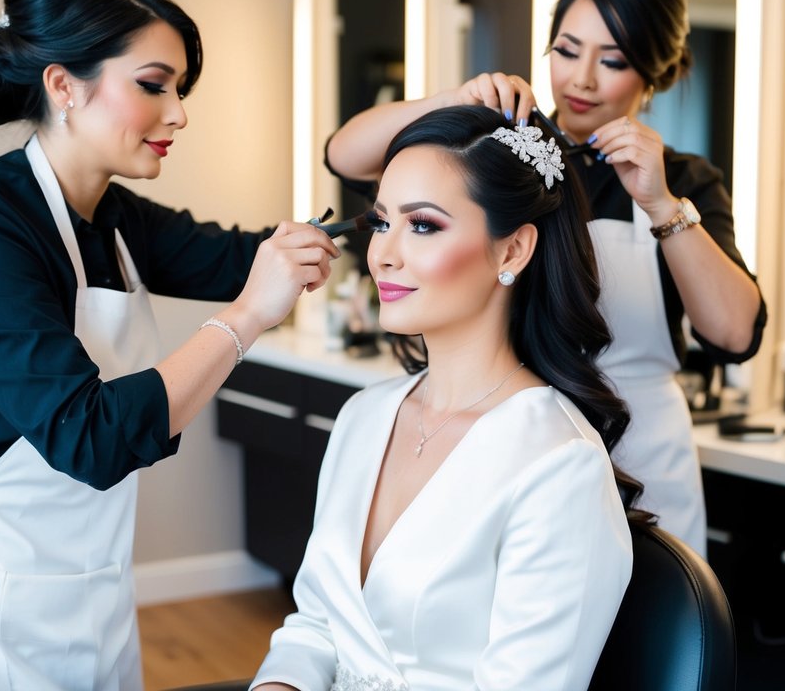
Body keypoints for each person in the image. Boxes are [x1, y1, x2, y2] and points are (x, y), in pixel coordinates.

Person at [0, 0, 339, 690]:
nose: (178, 112)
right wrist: (247, 319)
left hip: (88, 588)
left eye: (180, 89)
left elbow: (254, 255)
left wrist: (404, 177)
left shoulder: (116, 220)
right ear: (64, 86)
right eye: (153, 85)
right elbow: (89, 437)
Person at [325, 0, 765, 556]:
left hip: (642, 449)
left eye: (612, 60)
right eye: (566, 49)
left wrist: (662, 204)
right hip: (519, 435)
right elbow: (345, 155)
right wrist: (450, 101)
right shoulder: (516, 159)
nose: (582, 79)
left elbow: (735, 333)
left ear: (655, 73)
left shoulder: (683, 181)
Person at [252, 106, 640, 690]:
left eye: (424, 225)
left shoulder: (559, 465)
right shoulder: (365, 418)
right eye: (382, 223)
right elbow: (316, 626)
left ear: (512, 251)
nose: (384, 253)